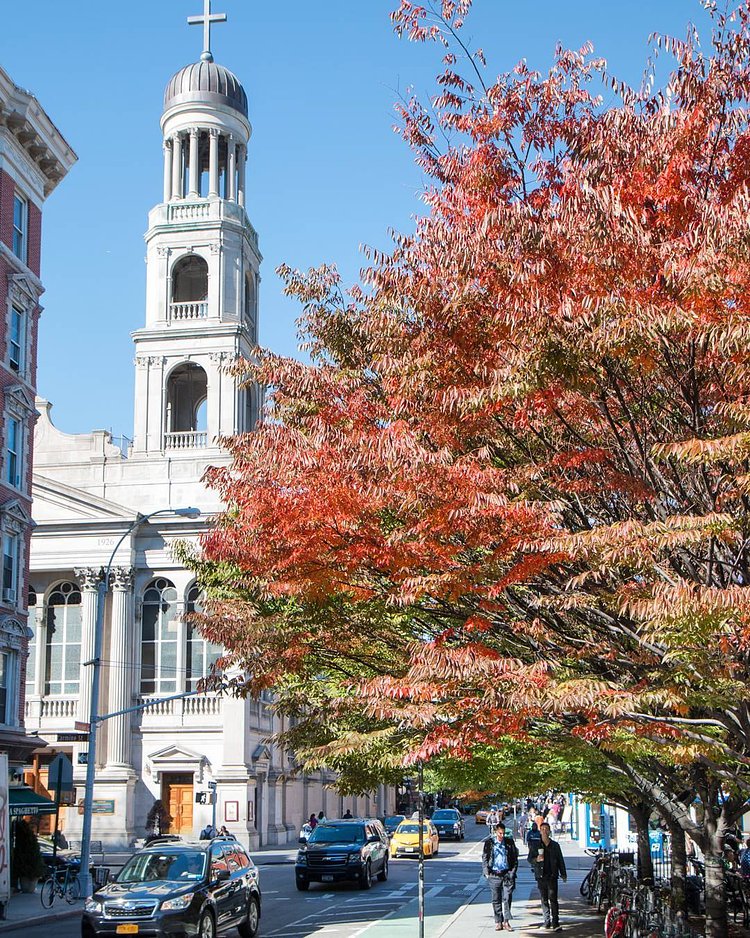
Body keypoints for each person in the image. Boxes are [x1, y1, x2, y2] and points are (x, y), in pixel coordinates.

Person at [528, 821, 567, 931]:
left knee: (553, 899)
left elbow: (560, 860)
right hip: (541, 876)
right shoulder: (535, 845)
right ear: (540, 831)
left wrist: (563, 873)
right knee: (544, 899)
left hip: (552, 875)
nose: (544, 831)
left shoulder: (555, 845)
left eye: (546, 829)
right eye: (543, 829)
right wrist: (536, 860)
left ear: (549, 831)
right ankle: (547, 921)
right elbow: (529, 859)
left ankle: (556, 922)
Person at [482, 821, 518, 932]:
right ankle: (498, 921)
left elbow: (514, 859)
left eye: (503, 833)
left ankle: (506, 921)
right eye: (499, 834)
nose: (501, 836)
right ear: (495, 832)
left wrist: (512, 872)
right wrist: (486, 872)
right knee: (496, 899)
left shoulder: (509, 843)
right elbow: (485, 858)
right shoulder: (489, 843)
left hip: (506, 873)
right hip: (494, 874)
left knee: (507, 898)